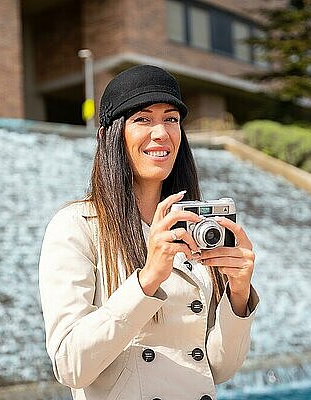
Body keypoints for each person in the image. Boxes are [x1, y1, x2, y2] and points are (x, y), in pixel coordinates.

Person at [38, 65, 259, 400]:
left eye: (171, 119)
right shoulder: (76, 226)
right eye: (143, 119)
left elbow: (218, 369)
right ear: (109, 135)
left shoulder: (195, 227)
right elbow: (71, 366)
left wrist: (238, 296)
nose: (162, 133)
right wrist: (148, 279)